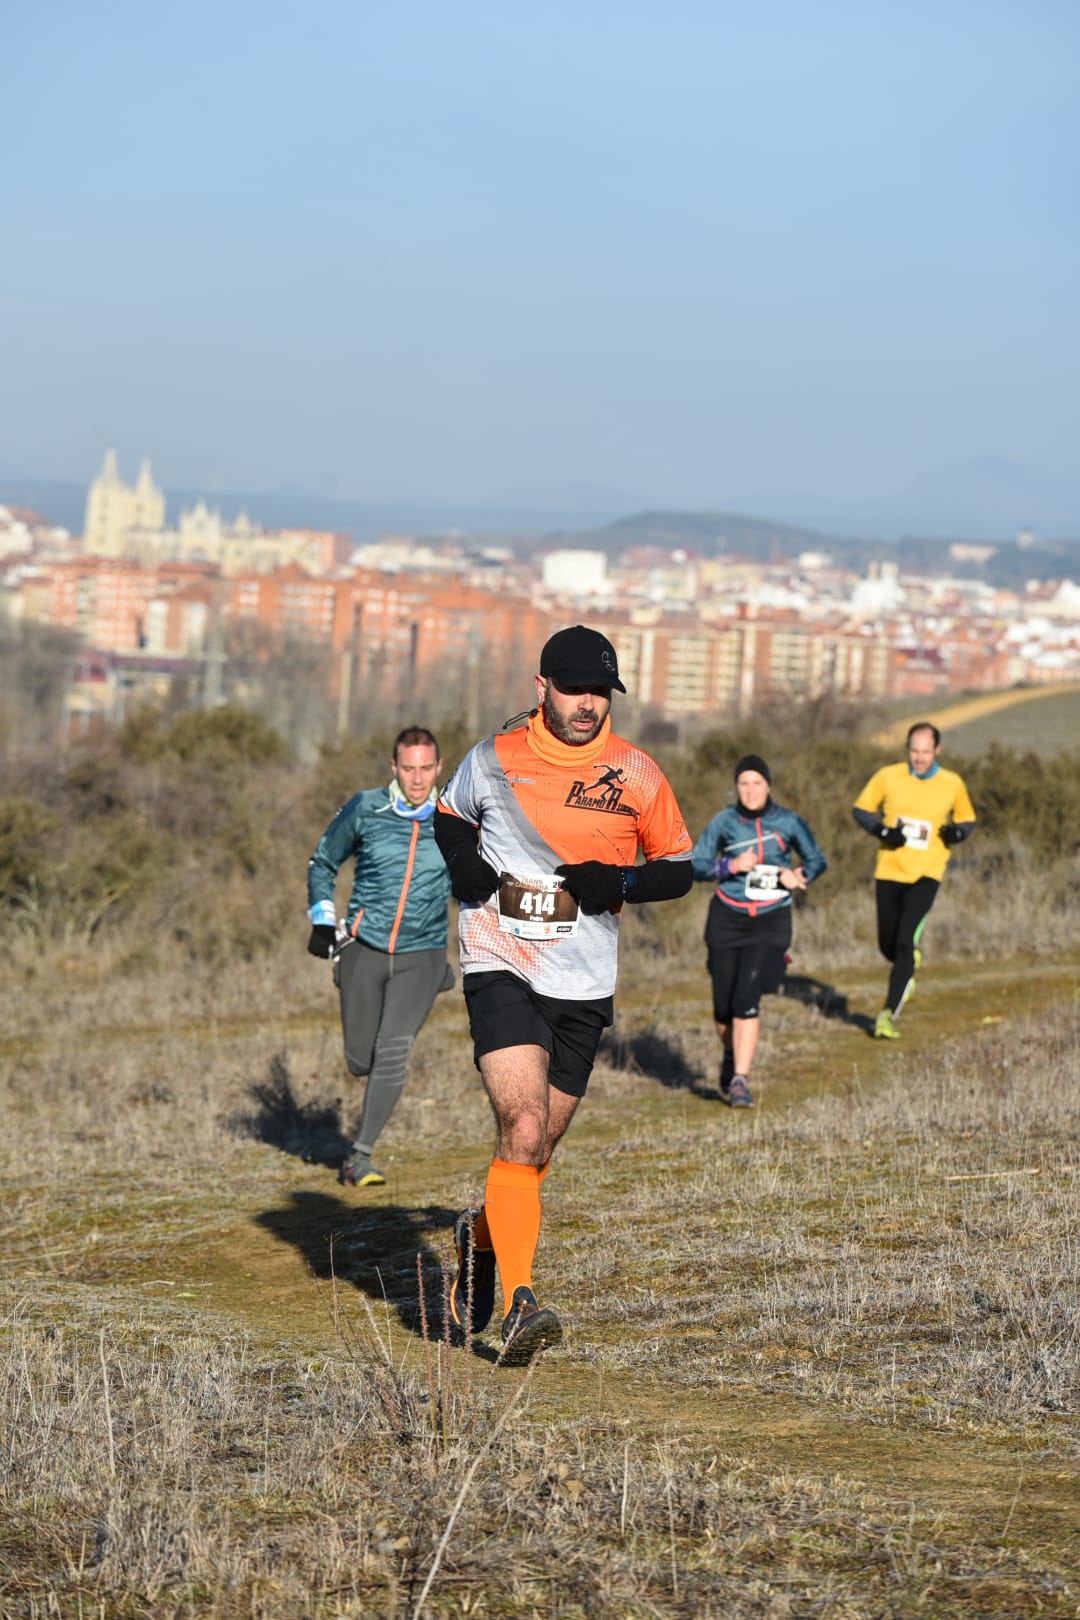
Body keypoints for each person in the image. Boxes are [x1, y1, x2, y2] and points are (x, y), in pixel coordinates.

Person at [434, 625, 693, 1364]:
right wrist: (463, 866)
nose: (587, 706)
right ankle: (519, 1305)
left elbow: (679, 865)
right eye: (574, 689)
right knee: (520, 1126)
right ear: (540, 686)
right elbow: (450, 816)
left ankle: (478, 1238)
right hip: (500, 956)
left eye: (599, 693)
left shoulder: (636, 772)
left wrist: (624, 882)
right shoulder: (493, 759)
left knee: (538, 1146)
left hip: (584, 978)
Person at [307, 726, 453, 1186]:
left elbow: (484, 877)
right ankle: (347, 976)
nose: (417, 778)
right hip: (363, 948)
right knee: (360, 1061)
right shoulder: (366, 807)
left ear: (438, 767)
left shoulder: (455, 817)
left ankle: (359, 1156)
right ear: (394, 767)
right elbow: (322, 863)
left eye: (425, 768)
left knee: (394, 1051)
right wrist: (321, 921)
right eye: (408, 768)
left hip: (422, 954)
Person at [690, 754, 827, 1108]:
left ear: (768, 785)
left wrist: (798, 875)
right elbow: (695, 865)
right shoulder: (724, 822)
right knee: (723, 1007)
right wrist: (730, 864)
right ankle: (730, 1054)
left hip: (771, 919)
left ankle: (740, 1080)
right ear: (736, 787)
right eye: (744, 783)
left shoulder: (788, 822)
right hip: (727, 917)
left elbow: (817, 859)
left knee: (746, 995)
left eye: (757, 783)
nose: (750, 790)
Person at [852, 721, 976, 1040]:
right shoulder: (888, 776)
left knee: (906, 940)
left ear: (937, 750)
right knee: (888, 945)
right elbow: (861, 810)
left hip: (927, 872)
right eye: (914, 751)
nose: (919, 758)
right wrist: (883, 832)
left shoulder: (952, 783)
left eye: (925, 751)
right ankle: (907, 966)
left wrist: (957, 833)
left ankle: (887, 1014)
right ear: (907, 749)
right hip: (890, 869)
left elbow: (966, 819)